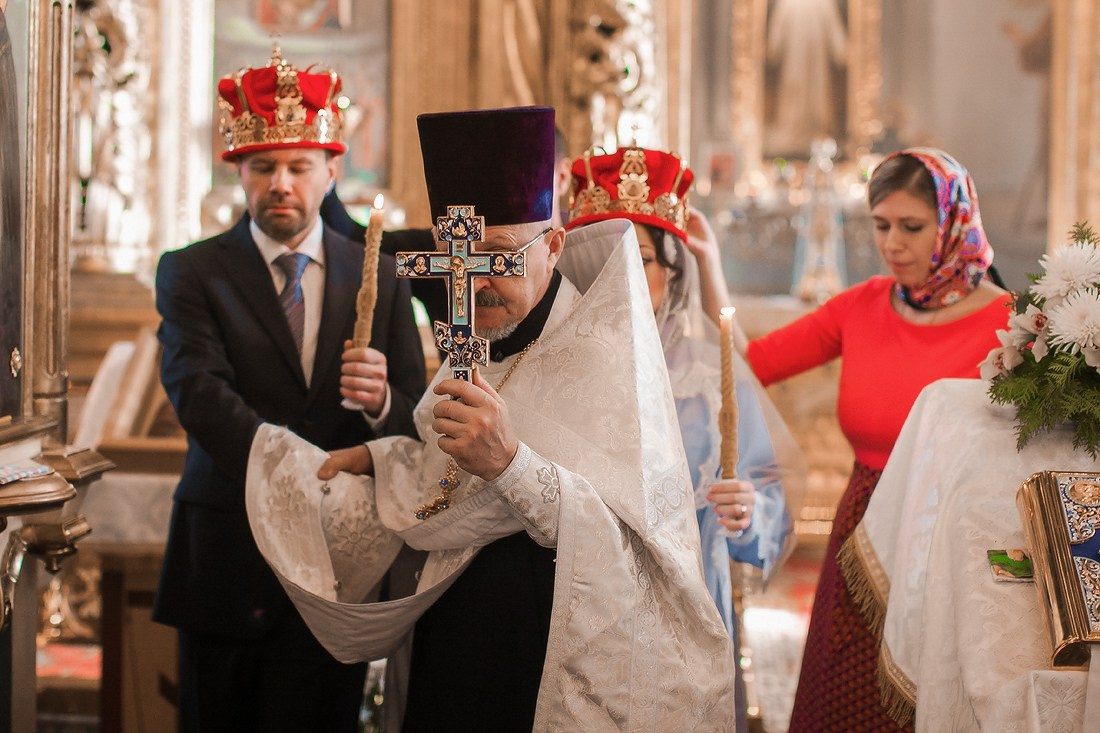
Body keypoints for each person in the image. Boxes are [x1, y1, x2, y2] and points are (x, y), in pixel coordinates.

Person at [244, 106, 737, 731]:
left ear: (553, 245)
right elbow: (445, 476)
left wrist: (512, 465)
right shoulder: (475, 338)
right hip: (451, 635)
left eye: (498, 256)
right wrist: (382, 458)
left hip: (545, 647)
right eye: (457, 256)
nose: (472, 282)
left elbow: (639, 552)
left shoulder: (610, 358)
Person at [152, 47, 425, 733]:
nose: (281, 183)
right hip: (225, 556)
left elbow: (413, 417)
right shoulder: (191, 273)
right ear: (239, 172)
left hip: (334, 573)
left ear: (331, 171)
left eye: (299, 167)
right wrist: (304, 475)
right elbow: (198, 393)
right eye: (263, 166)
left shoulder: (382, 277)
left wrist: (381, 403)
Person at [736, 147, 1011, 731]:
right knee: (847, 695)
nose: (892, 244)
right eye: (881, 226)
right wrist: (705, 267)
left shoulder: (1013, 325)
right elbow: (749, 364)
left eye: (911, 227)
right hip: (862, 533)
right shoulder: (861, 305)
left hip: (953, 536)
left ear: (954, 222)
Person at [566, 144, 805, 731]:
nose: (620, 274)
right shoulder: (555, 363)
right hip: (577, 605)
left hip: (689, 605)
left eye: (640, 258)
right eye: (606, 257)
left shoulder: (711, 377)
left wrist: (746, 511)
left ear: (672, 271)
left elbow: (767, 504)